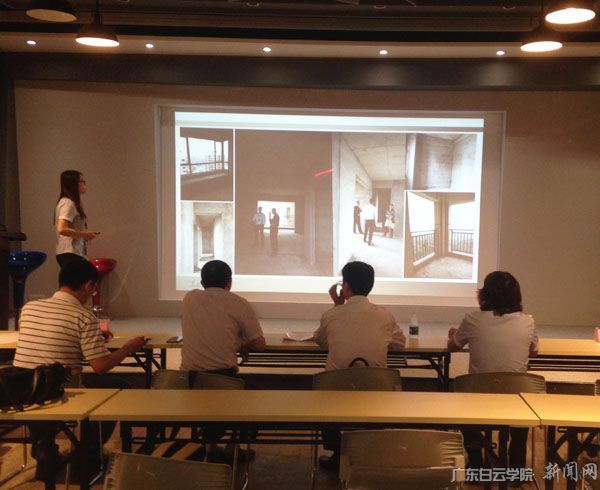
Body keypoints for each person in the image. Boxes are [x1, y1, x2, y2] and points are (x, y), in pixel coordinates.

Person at [14, 259, 147, 482]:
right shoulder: (84, 316)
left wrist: (89, 337)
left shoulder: (29, 308)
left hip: (22, 389)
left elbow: (52, 338)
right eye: (93, 288)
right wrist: (127, 348)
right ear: (88, 285)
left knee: (44, 381)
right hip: (57, 389)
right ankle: (87, 456)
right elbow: (101, 366)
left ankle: (44, 449)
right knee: (119, 388)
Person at [313, 261, 406, 469]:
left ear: (345, 287)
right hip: (376, 392)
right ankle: (371, 451)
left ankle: (337, 451)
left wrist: (337, 306)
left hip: (336, 392)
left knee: (322, 392)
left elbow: (320, 340)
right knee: (377, 390)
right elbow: (400, 344)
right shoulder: (384, 315)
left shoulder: (331, 315)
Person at [447, 270, 538, 472]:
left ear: (484, 295)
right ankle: (516, 469)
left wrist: (453, 335)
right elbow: (534, 350)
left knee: (460, 405)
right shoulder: (528, 321)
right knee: (521, 420)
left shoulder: (472, 319)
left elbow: (452, 347)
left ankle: (477, 464)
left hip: (479, 397)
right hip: (518, 399)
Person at [181, 259, 266, 376]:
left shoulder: (189, 298)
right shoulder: (239, 303)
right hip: (224, 377)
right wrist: (242, 344)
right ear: (230, 282)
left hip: (188, 378)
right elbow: (260, 345)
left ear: (202, 282)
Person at [55, 170, 99, 268]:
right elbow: (62, 229)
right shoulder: (67, 203)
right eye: (82, 181)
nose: (84, 184)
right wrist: (85, 234)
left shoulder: (69, 202)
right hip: (70, 252)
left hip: (73, 253)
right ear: (74, 184)